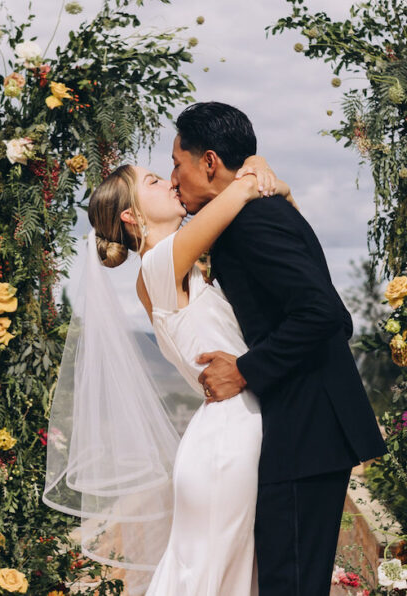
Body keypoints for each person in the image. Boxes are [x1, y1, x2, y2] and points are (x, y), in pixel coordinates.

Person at [171, 102, 388, 595]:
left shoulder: (254, 222)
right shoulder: (252, 216)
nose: (173, 177)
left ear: (208, 162)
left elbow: (325, 313)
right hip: (305, 427)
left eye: (177, 163)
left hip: (304, 428)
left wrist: (245, 370)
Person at [45, 154, 287, 595]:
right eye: (155, 181)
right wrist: (255, 168)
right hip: (226, 443)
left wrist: (271, 183)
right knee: (211, 580)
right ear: (130, 215)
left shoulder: (182, 268)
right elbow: (238, 191)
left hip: (229, 435)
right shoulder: (158, 268)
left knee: (217, 576)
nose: (172, 183)